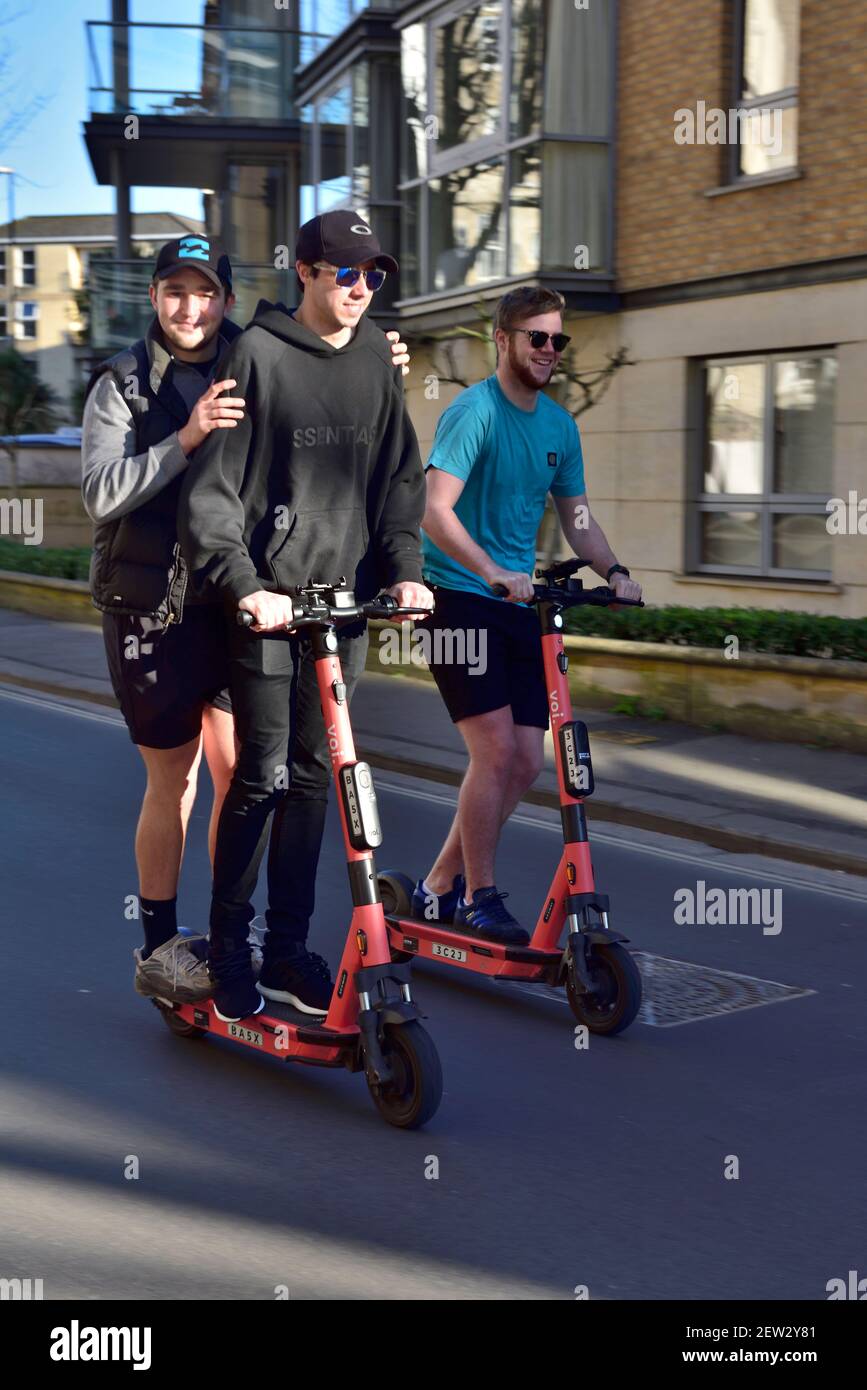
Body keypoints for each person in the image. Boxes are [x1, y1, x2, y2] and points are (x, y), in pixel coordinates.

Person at [81, 232, 411, 1004]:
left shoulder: (251, 353)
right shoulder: (124, 382)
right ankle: (162, 943)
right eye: (173, 292)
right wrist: (185, 435)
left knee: (247, 774)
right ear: (154, 297)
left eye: (204, 293)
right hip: (154, 607)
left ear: (225, 299)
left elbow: (317, 367)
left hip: (235, 600)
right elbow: (99, 492)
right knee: (177, 778)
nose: (189, 307)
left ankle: (244, 939)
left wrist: (369, 356)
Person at [178, 209, 432, 1023]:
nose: (360, 289)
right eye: (346, 273)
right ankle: (229, 950)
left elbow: (399, 478)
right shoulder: (255, 356)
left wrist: (404, 571)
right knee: (262, 776)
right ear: (307, 272)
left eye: (373, 276)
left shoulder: (374, 361)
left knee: (318, 780)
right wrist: (246, 584)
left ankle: (288, 951)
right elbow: (212, 494)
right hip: (268, 608)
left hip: (343, 610)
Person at [414, 286, 643, 945]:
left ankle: (436, 886)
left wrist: (615, 572)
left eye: (556, 340)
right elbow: (435, 509)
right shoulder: (473, 412)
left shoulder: (558, 426)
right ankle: (478, 897)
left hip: (518, 603)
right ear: (503, 339)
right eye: (535, 337)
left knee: (524, 762)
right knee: (492, 752)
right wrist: (488, 571)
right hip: (458, 599)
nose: (548, 350)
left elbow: (575, 517)